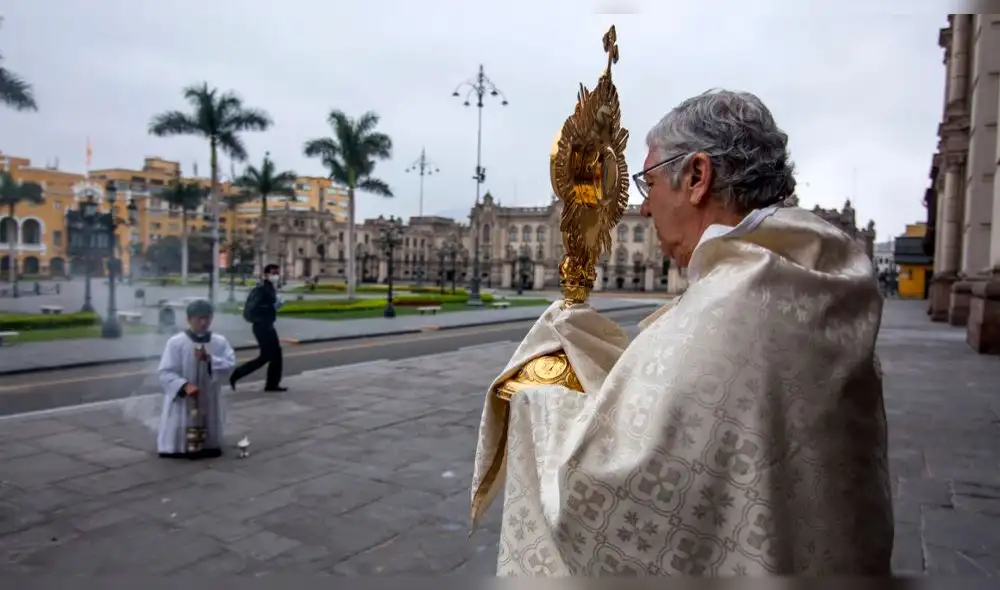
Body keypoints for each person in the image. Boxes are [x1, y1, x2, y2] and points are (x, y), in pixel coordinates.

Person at [471, 89, 891, 576]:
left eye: (649, 185)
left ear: (696, 177)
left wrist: (544, 387)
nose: (644, 210)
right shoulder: (812, 283)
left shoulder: (731, 307)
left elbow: (612, 488)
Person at [157, 299, 236, 459]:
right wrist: (184, 386)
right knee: (182, 421)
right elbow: (165, 372)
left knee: (209, 420)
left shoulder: (219, 342)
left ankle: (208, 445)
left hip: (208, 394)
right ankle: (178, 447)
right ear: (189, 319)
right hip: (185, 396)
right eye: (199, 318)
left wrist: (210, 360)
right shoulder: (176, 343)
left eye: (207, 318)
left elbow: (230, 364)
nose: (204, 322)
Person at [230, 263, 286, 392]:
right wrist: (272, 307)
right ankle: (238, 374)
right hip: (261, 326)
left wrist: (276, 305)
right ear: (266, 275)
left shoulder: (270, 288)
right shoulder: (260, 289)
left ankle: (271, 384)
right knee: (269, 356)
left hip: (267, 324)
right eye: (273, 273)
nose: (276, 275)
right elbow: (253, 308)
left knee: (272, 356)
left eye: (277, 273)